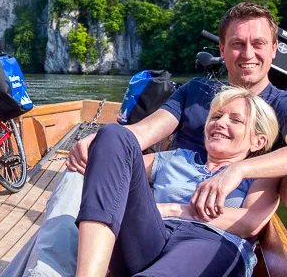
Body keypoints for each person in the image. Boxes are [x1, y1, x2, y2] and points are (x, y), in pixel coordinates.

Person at [0, 2, 287, 276]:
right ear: (222, 49)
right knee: (84, 164)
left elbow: (251, 219)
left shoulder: (282, 105)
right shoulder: (197, 91)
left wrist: (238, 169)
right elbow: (143, 133)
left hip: (212, 227)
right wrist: (100, 146)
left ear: (274, 49)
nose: (248, 53)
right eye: (237, 44)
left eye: (258, 43)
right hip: (154, 217)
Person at [76, 87, 280, 277]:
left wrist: (171, 209)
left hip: (210, 241)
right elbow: (115, 166)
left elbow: (249, 223)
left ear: (258, 141)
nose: (220, 122)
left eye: (235, 120)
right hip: (146, 237)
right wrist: (96, 148)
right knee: (114, 134)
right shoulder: (176, 158)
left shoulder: (259, 174)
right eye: (216, 116)